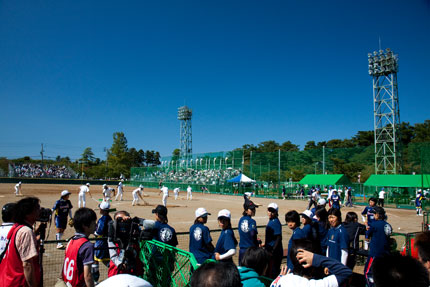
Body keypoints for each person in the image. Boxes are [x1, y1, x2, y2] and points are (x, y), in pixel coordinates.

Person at [270, 239, 352, 287]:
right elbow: (346, 272)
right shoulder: (312, 285)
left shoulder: (279, 281)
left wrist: (280, 277)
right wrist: (316, 259)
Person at [0, 197, 42, 287]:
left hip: (8, 279)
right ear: (28, 213)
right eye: (37, 208)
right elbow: (27, 264)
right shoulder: (25, 231)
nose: (40, 211)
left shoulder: (15, 228)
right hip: (19, 282)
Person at [62, 207, 97, 287]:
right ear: (85, 226)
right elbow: (87, 276)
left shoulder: (70, 241)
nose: (95, 225)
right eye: (93, 222)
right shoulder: (87, 246)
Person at [107, 211, 145, 277]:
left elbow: (150, 225)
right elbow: (113, 255)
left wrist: (134, 221)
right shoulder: (113, 236)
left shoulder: (134, 233)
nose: (122, 224)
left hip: (133, 272)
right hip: (117, 272)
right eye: (119, 221)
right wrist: (119, 264)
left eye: (124, 221)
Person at [364, 206, 392, 287]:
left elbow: (367, 235)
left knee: (367, 272)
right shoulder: (388, 225)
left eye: (375, 214)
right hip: (386, 253)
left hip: (375, 253)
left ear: (378, 215)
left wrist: (367, 230)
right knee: (382, 272)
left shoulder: (374, 224)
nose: (373, 215)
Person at [92, 201, 113, 284]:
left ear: (102, 210)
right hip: (107, 241)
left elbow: (99, 232)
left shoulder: (102, 219)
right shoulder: (109, 218)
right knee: (105, 259)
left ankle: (95, 279)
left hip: (100, 242)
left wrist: (93, 232)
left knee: (97, 259)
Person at [238, 195, 259, 264]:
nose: (254, 210)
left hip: (242, 250)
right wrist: (256, 243)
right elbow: (252, 233)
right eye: (251, 209)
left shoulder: (241, 219)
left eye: (254, 208)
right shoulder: (252, 221)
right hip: (250, 251)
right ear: (246, 210)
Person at [265, 203, 283, 278]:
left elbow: (278, 238)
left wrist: (273, 250)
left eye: (272, 211)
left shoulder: (275, 222)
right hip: (271, 249)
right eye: (269, 211)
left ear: (276, 212)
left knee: (272, 272)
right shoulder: (271, 220)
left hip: (274, 252)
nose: (270, 213)